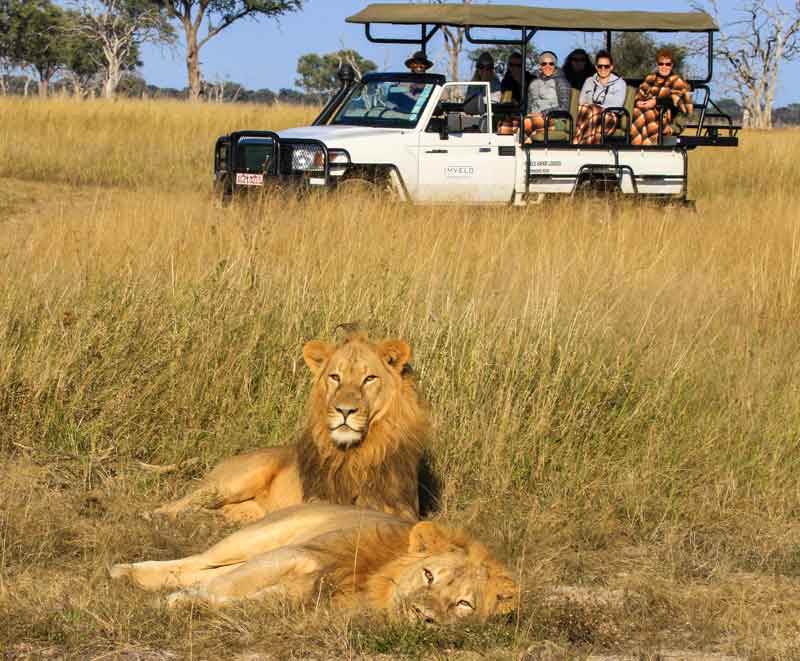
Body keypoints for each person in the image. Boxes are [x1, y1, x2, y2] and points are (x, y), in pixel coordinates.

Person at [630, 47, 693, 146]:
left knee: (647, 113)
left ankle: (648, 148)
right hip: (644, 112)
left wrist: (656, 102)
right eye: (661, 64)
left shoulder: (677, 81)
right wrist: (639, 101)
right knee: (636, 111)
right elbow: (639, 94)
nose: (664, 67)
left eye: (667, 64)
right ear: (657, 65)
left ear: (672, 65)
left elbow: (676, 101)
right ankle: (637, 149)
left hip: (665, 116)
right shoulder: (650, 79)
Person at [573, 50, 627, 145]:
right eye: (600, 66)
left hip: (610, 116)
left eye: (606, 66)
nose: (603, 69)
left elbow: (618, 105)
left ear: (611, 67)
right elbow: (581, 101)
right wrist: (595, 107)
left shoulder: (620, 83)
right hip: (590, 115)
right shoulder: (589, 81)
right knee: (588, 111)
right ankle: (589, 148)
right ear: (596, 67)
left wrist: (596, 107)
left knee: (591, 111)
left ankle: (576, 144)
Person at [525, 51, 570, 141]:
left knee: (525, 123)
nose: (547, 66)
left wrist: (543, 113)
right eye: (544, 64)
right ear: (540, 65)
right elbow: (529, 106)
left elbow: (564, 107)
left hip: (558, 120)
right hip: (534, 118)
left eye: (551, 64)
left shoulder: (561, 82)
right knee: (506, 127)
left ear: (555, 65)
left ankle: (529, 138)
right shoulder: (534, 83)